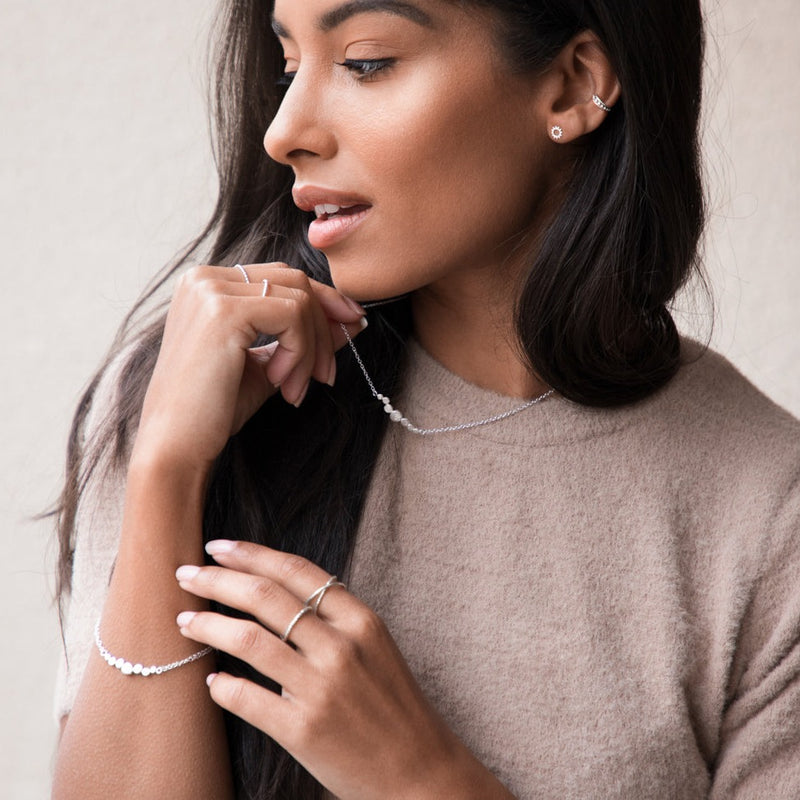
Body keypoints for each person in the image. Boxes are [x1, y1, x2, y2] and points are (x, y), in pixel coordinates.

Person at [51, 0, 800, 798]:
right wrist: (167, 471)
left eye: (366, 62)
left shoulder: (766, 513)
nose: (283, 130)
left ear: (573, 85)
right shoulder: (200, 393)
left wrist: (420, 781)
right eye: (287, 67)